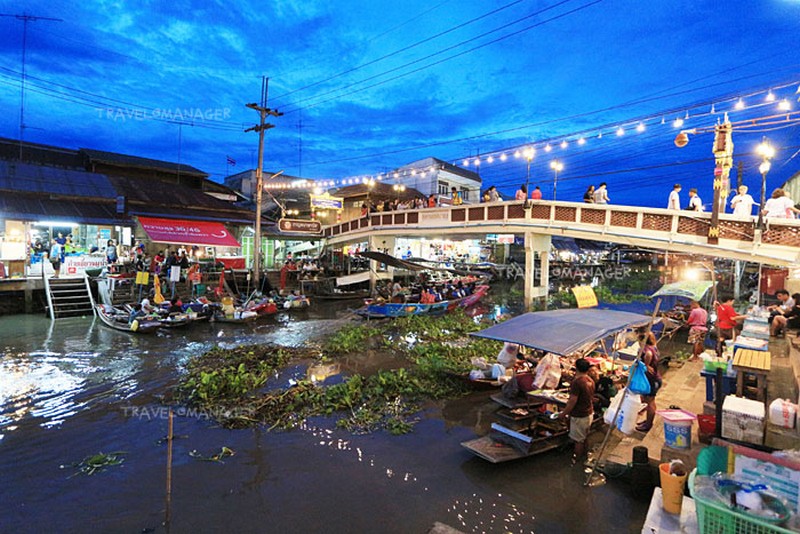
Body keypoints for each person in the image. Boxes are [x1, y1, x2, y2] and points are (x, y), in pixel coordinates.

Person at [558, 358, 595, 465]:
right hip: (589, 413)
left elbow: (572, 401)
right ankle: (585, 455)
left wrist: (563, 414)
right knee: (584, 437)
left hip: (580, 415)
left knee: (578, 440)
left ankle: (576, 460)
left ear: (576, 368)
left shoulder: (577, 382)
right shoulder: (590, 380)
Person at [635, 334, 662, 432]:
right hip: (655, 378)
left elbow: (648, 355)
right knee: (649, 400)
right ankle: (647, 421)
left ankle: (648, 425)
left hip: (652, 380)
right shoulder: (654, 347)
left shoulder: (647, 350)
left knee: (650, 402)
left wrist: (645, 365)